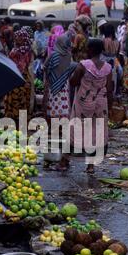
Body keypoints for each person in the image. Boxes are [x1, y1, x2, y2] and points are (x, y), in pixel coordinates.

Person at [70, 39, 113, 174]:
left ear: (91, 50)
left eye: (88, 48)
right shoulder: (108, 67)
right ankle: (90, 166)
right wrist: (109, 107)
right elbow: (110, 88)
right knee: (96, 132)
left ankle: (65, 161)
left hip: (84, 103)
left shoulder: (83, 65)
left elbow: (74, 82)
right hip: (101, 104)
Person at [43, 35, 76, 170]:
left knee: (54, 111)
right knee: (63, 111)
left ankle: (55, 138)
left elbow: (45, 68)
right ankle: (62, 136)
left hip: (53, 87)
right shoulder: (69, 56)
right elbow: (71, 70)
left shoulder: (54, 55)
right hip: (64, 88)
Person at [4, 29, 34, 122]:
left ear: (23, 39)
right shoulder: (27, 50)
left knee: (17, 98)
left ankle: (15, 119)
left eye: (19, 38)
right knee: (22, 99)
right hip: (23, 77)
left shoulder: (19, 51)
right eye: (16, 37)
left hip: (17, 77)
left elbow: (19, 66)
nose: (17, 39)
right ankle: (20, 120)